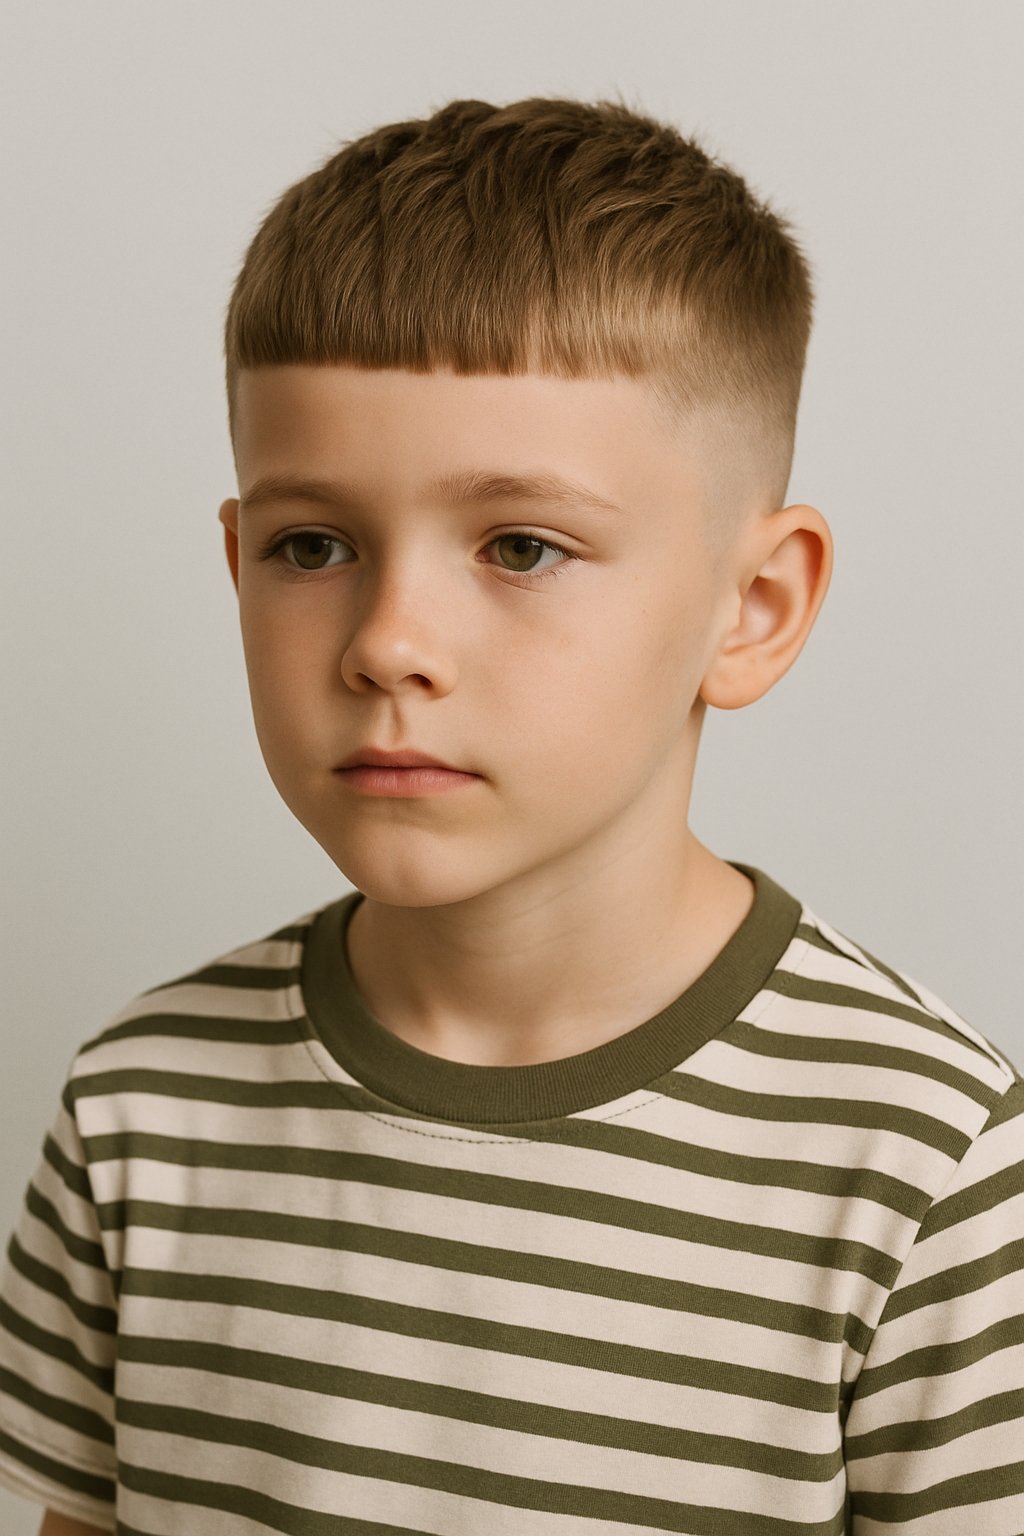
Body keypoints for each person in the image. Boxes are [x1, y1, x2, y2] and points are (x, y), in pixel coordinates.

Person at [1, 94, 1021, 1536]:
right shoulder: (142, 1107)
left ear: (753, 606)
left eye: (522, 547)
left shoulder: (926, 1170)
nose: (388, 643)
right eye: (313, 544)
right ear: (236, 563)